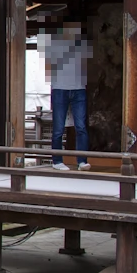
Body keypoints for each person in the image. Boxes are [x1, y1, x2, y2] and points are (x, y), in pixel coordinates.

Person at [42, 21, 92, 171]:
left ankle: (82, 161)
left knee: (81, 127)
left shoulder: (82, 45)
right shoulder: (54, 46)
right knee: (58, 128)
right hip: (60, 89)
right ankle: (57, 161)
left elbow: (87, 65)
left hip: (79, 89)